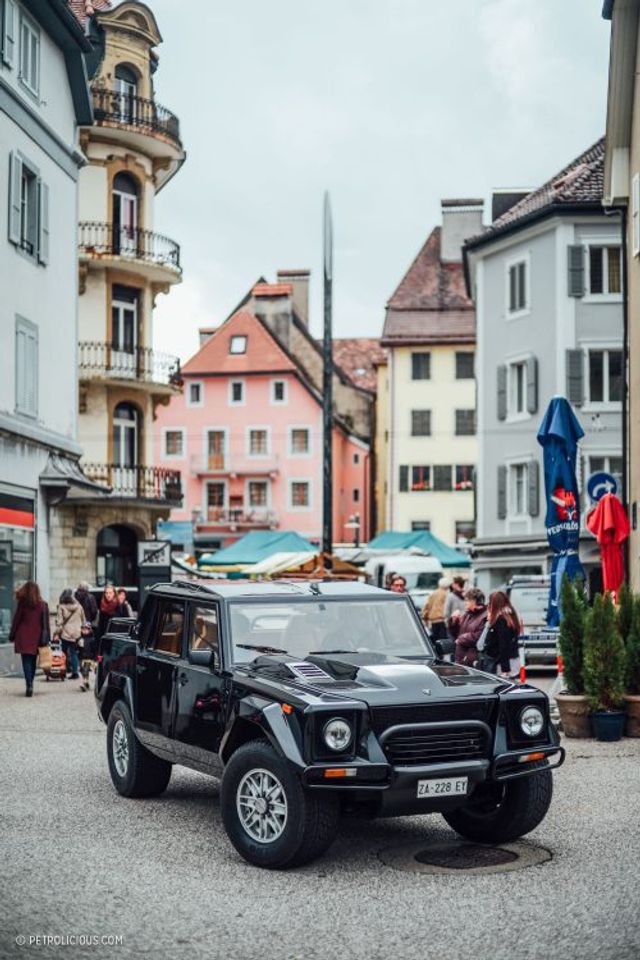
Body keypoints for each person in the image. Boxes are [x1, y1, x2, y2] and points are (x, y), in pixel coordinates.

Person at [9, 581, 50, 697]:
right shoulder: (42, 605)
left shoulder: (22, 604)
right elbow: (45, 624)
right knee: (32, 661)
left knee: (26, 661)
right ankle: (30, 683)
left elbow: (17, 620)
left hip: (23, 636)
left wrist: (12, 635)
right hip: (36, 637)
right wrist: (47, 638)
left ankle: (29, 684)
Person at [480, 590, 522, 678]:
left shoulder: (501, 620)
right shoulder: (511, 615)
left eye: (490, 602)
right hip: (510, 660)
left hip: (503, 664)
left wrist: (505, 669)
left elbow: (503, 644)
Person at [448, 587, 488, 666]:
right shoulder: (467, 614)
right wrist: (454, 621)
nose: (465, 602)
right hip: (461, 659)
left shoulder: (485, 616)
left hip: (473, 661)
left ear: (474, 601)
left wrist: (460, 639)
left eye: (467, 600)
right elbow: (455, 634)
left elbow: (479, 637)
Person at [55, 589, 84, 680]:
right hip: (76, 633)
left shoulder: (61, 607)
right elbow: (84, 620)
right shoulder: (79, 606)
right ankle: (75, 672)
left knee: (63, 653)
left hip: (66, 633)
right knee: (74, 652)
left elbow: (59, 622)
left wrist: (56, 633)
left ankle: (63, 671)